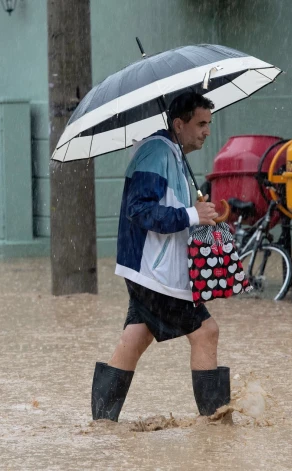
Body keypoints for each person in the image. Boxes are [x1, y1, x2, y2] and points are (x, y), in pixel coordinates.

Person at [91, 91, 230, 421]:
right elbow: (138, 210)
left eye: (209, 123)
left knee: (137, 336)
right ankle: (216, 428)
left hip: (148, 272)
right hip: (155, 272)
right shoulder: (157, 151)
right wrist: (192, 215)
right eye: (201, 124)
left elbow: (170, 207)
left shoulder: (173, 152)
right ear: (178, 124)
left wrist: (198, 212)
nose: (207, 131)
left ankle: (102, 423)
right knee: (206, 332)